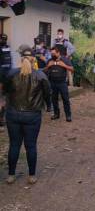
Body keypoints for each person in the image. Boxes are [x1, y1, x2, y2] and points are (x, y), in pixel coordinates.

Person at [3, 45, 51, 184]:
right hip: (32, 115)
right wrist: (48, 107)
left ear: (21, 58)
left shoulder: (12, 74)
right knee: (31, 146)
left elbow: (6, 91)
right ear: (33, 59)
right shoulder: (40, 75)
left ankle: (11, 175)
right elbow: (48, 93)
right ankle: (31, 176)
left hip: (13, 114)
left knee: (14, 145)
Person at [44, 47, 73, 122]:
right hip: (52, 82)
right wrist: (48, 66)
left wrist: (64, 65)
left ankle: (68, 115)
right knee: (54, 99)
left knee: (65, 99)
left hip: (62, 83)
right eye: (51, 54)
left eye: (54, 54)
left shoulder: (65, 59)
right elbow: (44, 70)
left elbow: (72, 69)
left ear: (58, 53)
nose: (52, 55)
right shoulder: (50, 60)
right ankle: (56, 114)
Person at [0, 34, 11, 128]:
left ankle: (2, 119)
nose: (4, 40)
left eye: (5, 39)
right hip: (1, 76)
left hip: (6, 76)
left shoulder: (8, 48)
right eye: (2, 39)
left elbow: (10, 62)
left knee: (4, 99)